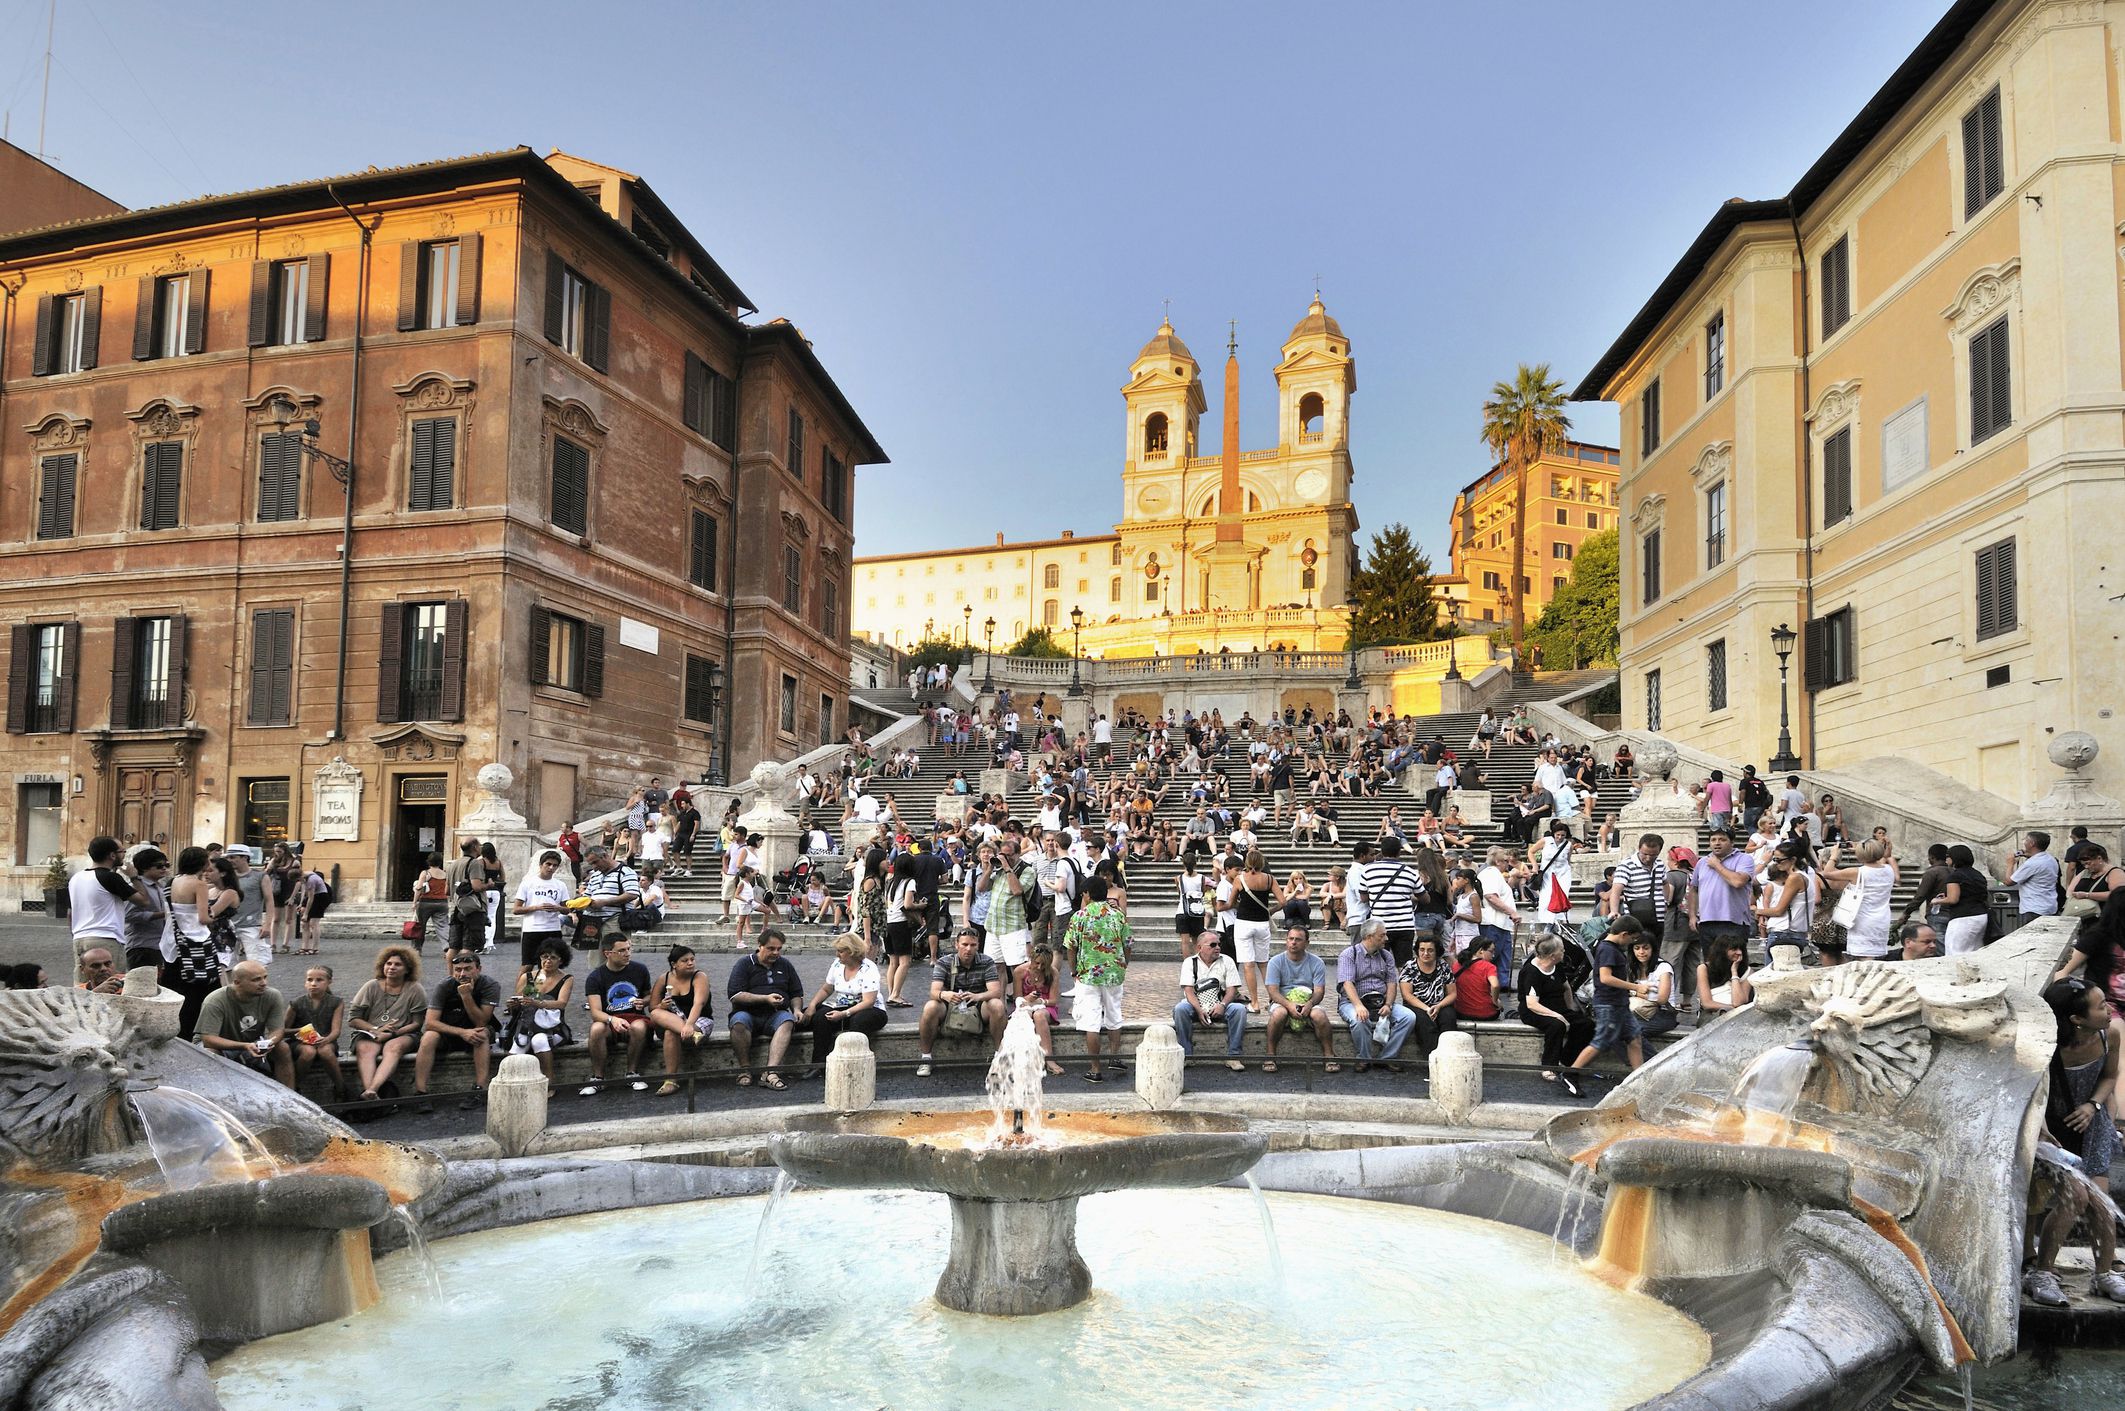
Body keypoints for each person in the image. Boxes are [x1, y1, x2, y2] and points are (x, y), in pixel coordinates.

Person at [2042, 978, 2121, 1203]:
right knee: (2076, 1200)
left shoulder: (2110, 1036)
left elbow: (2109, 1077)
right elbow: (2033, 1093)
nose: (2110, 1010)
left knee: (2101, 1204)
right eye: (2102, 1006)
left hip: (2091, 1123)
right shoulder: (2048, 1047)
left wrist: (2093, 1105)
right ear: (2077, 1019)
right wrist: (2042, 1131)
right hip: (2055, 1130)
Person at [1559, 916, 1650, 1097]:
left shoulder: (1610, 948)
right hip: (1609, 1005)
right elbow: (1606, 978)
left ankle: (1639, 1079)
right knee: (1600, 1042)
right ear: (1624, 934)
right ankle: (1570, 1073)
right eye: (1632, 939)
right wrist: (1635, 987)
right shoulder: (1608, 949)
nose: (1632, 943)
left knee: (1634, 1039)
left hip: (1619, 1004)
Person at [1064, 876, 1133, 1082]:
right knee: (1114, 1015)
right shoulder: (1118, 915)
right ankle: (1114, 1057)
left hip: (1087, 975)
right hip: (1114, 973)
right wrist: (1123, 964)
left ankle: (1095, 1069)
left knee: (1091, 1022)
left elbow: (1071, 947)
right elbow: (1128, 944)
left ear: (1087, 894)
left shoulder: (1080, 916)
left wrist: (1073, 971)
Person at [412, 949, 498, 1112]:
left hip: (476, 1029)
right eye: (458, 970)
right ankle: (420, 1093)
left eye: (468, 969)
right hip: (450, 1031)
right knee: (429, 1037)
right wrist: (461, 1032)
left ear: (478, 969)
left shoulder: (490, 985)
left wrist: (466, 996)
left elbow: (481, 1021)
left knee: (481, 1034)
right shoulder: (444, 986)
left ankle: (479, 1089)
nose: (462, 974)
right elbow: (430, 1023)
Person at [917, 928, 1008, 1077]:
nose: (968, 949)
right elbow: (933, 992)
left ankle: (1000, 1055)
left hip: (978, 1006)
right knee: (930, 1007)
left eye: (973, 945)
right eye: (965, 944)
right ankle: (926, 1058)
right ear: (956, 944)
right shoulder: (944, 962)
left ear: (978, 945)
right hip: (950, 1006)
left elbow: (996, 992)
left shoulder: (986, 961)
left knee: (997, 1005)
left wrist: (977, 996)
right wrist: (945, 994)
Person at [195, 961, 295, 1087]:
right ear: (237, 982)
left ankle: (289, 1094)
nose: (264, 983)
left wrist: (268, 1043)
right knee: (210, 1053)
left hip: (251, 1043)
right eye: (256, 980)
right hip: (220, 1045)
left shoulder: (272, 996)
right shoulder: (215, 1000)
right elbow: (208, 1040)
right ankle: (216, 1094)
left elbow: (277, 1030)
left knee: (282, 1047)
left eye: (265, 977)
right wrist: (244, 1046)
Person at [799, 934, 886, 1076]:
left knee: (858, 1021)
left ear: (852, 952)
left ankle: (854, 1066)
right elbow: (827, 989)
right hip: (842, 1006)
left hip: (869, 1009)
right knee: (820, 1017)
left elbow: (869, 1001)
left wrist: (844, 1014)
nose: (837, 954)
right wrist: (812, 1005)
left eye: (840, 951)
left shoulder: (869, 968)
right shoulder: (837, 964)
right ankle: (818, 1065)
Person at [727, 928, 803, 1090]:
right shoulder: (744, 964)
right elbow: (735, 995)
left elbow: (796, 993)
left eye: (779, 949)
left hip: (775, 1014)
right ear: (760, 945)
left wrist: (797, 1009)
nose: (776, 953)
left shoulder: (785, 964)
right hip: (747, 1012)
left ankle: (770, 1072)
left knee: (787, 1021)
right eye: (771, 948)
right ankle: (745, 1069)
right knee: (739, 1022)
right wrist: (765, 999)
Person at [348, 946, 425, 1102]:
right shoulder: (371, 986)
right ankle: (371, 1094)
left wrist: (391, 1034)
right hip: (371, 1033)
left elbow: (417, 1023)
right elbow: (353, 1019)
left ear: (407, 969)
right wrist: (376, 1029)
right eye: (388, 963)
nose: (391, 967)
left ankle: (372, 1090)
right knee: (365, 1049)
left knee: (393, 1047)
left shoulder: (415, 989)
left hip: (403, 1033)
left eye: (398, 964)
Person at [583, 935, 656, 1096]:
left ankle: (632, 1073)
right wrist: (612, 1019)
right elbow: (595, 1012)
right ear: (607, 953)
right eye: (621, 950)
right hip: (609, 1020)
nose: (627, 953)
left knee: (639, 1026)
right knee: (596, 1029)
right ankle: (598, 1078)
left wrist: (644, 1002)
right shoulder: (595, 977)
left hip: (635, 1018)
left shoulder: (640, 970)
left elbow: (650, 995)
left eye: (629, 949)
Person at [1337, 921, 1415, 1071]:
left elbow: (1391, 983)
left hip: (1381, 1001)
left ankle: (1386, 1057)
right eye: (1382, 935)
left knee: (1408, 1017)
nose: (1386, 939)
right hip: (1352, 1001)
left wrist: (1388, 1004)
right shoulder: (1349, 954)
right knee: (1359, 1019)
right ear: (1369, 936)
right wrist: (1358, 1006)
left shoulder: (1386, 956)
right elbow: (1347, 983)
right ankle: (1364, 1058)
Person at [1518, 935, 1593, 1089]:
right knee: (1556, 1025)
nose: (1564, 952)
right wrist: (1558, 1015)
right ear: (1553, 955)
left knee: (1586, 1024)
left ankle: (1567, 1060)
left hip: (1557, 1006)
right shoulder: (1531, 971)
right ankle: (1548, 1066)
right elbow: (1532, 1004)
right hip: (1535, 1010)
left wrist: (1569, 1010)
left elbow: (1566, 988)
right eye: (1562, 950)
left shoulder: (1556, 966)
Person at [499, 942, 575, 1092]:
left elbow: (561, 1003)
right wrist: (513, 1004)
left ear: (561, 960)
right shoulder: (530, 977)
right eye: (545, 957)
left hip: (552, 1027)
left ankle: (549, 1084)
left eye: (553, 957)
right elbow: (520, 1001)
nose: (548, 961)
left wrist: (538, 1003)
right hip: (527, 1025)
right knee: (517, 1047)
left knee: (539, 1040)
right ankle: (508, 1087)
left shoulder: (566, 978)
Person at [68, 835, 153, 968]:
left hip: (80, 938)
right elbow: (144, 901)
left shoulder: (76, 878)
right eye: (122, 851)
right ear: (112, 855)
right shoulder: (111, 878)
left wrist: (75, 934)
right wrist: (134, 877)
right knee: (112, 979)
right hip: (106, 938)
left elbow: (70, 913)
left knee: (83, 980)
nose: (124, 855)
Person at [1262, 926, 1337, 1072]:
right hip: (1282, 1001)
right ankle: (1270, 1054)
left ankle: (1329, 1055)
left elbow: (1319, 991)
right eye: (1290, 939)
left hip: (1308, 1001)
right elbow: (1273, 992)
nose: (1293, 942)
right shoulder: (1275, 961)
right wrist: (1289, 1005)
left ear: (1306, 943)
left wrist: (1310, 1004)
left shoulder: (1317, 962)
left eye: (1298, 939)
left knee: (1319, 1015)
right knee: (1279, 1014)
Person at [1172, 931, 1248, 1071]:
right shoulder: (1190, 962)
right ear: (1199, 947)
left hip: (1221, 1004)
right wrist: (1199, 1010)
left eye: (1219, 944)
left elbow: (1232, 989)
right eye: (1213, 945)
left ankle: (1234, 1056)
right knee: (1180, 1009)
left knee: (1239, 1010)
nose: (1217, 947)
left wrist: (1222, 1005)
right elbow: (1189, 991)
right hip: (1196, 1006)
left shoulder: (1227, 961)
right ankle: (1187, 1056)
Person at [648, 944, 715, 1095]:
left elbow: (699, 1003)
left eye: (692, 959)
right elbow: (652, 1007)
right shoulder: (664, 978)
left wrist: (689, 1025)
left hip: (698, 1020)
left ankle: (671, 1080)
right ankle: (671, 1080)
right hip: (671, 1020)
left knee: (671, 1033)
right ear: (674, 964)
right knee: (657, 1014)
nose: (690, 963)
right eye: (685, 961)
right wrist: (661, 1005)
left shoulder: (699, 977)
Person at [1687, 829, 1756, 971]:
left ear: (1732, 842)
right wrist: (1692, 915)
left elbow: (1738, 882)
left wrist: (1717, 865)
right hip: (1707, 922)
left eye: (1722, 839)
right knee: (1711, 966)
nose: (1717, 843)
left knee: (1735, 965)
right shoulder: (1702, 862)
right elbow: (1694, 889)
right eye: (1713, 840)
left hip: (1733, 922)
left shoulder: (1744, 859)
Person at [1819, 839, 1898, 960]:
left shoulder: (1857, 872)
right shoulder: (1888, 869)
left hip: (1862, 919)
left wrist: (1833, 856)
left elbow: (1827, 873)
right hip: (1882, 918)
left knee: (1863, 957)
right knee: (1875, 956)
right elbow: (1881, 859)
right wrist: (1864, 849)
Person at [1354, 835, 1425, 969]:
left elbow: (1363, 898)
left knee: (1378, 965)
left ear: (1381, 851)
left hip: (1379, 926)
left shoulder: (1368, 870)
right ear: (1399, 851)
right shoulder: (1410, 872)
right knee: (1404, 966)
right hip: (1404, 925)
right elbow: (1424, 898)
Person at [287, 964, 347, 1101]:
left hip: (326, 1041)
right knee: (308, 1052)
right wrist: (300, 1031)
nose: (313, 984)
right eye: (310, 980)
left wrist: (326, 1039)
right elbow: (283, 1030)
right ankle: (294, 1087)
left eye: (319, 980)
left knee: (325, 1051)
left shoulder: (336, 1002)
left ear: (329, 982)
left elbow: (336, 1031)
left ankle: (341, 1088)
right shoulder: (296, 1003)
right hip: (300, 1043)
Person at [1397, 935, 1457, 1066]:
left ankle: (1449, 1057)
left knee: (1449, 1018)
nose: (1425, 953)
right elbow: (1407, 995)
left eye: (1430, 950)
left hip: (1440, 1004)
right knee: (1425, 1022)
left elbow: (1452, 994)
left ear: (1436, 951)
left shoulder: (1444, 966)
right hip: (1416, 1005)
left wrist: (1439, 1006)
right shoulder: (1409, 967)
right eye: (1422, 949)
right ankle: (1434, 1060)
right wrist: (1427, 1008)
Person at [511, 851, 574, 969]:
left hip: (553, 929)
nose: (551, 868)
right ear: (541, 865)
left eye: (554, 865)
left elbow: (567, 909)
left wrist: (557, 908)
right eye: (548, 864)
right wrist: (537, 907)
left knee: (551, 965)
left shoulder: (560, 885)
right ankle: (523, 982)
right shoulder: (527, 883)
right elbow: (516, 909)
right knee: (527, 965)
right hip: (532, 929)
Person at [1476, 845, 1521, 1000]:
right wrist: (1512, 912)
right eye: (1505, 861)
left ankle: (1502, 982)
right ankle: (1487, 983)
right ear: (1497, 861)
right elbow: (1491, 897)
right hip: (1493, 922)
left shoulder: (1496, 875)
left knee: (1503, 955)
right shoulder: (1491, 873)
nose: (1508, 864)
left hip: (1501, 922)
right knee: (1490, 954)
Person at [1016, 943, 1068, 1077]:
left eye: (1044, 964)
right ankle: (1024, 1059)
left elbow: (1054, 1000)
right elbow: (1017, 999)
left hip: (1046, 1006)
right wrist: (1028, 998)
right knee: (1025, 1015)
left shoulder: (1053, 972)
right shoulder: (1020, 971)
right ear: (1031, 959)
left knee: (1039, 1015)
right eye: (1037, 963)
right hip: (1026, 1004)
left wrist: (1041, 1001)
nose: (1039, 967)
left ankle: (1049, 1058)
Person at [121, 847, 174, 976]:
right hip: (142, 946)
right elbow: (128, 915)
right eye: (159, 866)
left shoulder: (161, 887)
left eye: (166, 865)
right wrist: (162, 915)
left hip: (160, 945)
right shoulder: (136, 888)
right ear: (144, 868)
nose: (164, 868)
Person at [1938, 844, 1992, 954]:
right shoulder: (1977, 874)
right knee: (1974, 951)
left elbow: (1953, 899)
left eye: (1948, 856)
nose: (1946, 860)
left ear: (1954, 858)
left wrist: (1937, 901)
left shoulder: (1955, 876)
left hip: (1963, 918)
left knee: (1954, 951)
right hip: (1981, 916)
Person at [1628, 933, 1678, 1040]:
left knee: (1632, 1032)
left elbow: (1662, 999)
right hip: (1636, 1012)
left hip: (1662, 1013)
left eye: (1645, 948)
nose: (1641, 952)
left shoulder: (1664, 968)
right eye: (1637, 948)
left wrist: (1635, 992)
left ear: (1653, 949)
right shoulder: (1631, 967)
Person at [2011, 832, 2062, 928]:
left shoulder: (2031, 863)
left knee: (2032, 936)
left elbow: (2009, 881)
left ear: (2032, 843)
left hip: (2033, 909)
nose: (2024, 842)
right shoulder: (2051, 859)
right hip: (2050, 907)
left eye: (2026, 840)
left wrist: (2010, 863)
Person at [1698, 934, 1754, 1020]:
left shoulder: (1748, 971)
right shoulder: (1703, 968)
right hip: (1713, 1014)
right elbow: (1706, 1003)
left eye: (1741, 949)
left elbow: (1738, 1002)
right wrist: (1730, 1009)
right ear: (1722, 951)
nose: (1739, 953)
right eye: (1734, 949)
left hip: (1739, 1015)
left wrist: (1734, 972)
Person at [1453, 932, 1502, 1021]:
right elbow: (1495, 985)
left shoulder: (1457, 964)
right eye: (1491, 951)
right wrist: (1495, 1001)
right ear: (1481, 950)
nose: (1493, 955)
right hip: (1485, 1013)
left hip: (1460, 1012)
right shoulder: (1489, 967)